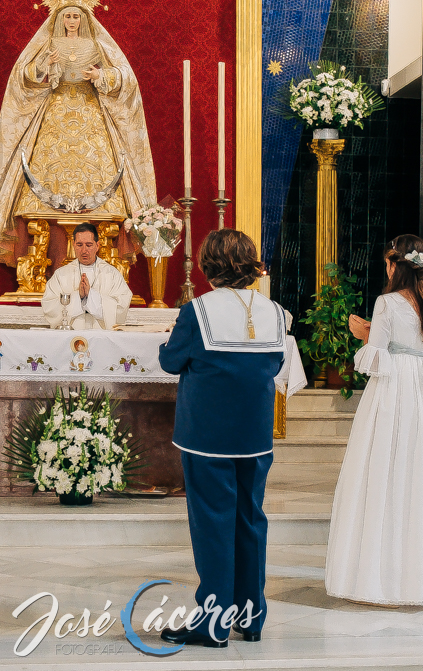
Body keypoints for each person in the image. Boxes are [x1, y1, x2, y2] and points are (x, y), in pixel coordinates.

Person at [158, 230, 288, 648]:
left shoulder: (197, 311)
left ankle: (212, 623)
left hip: (208, 435)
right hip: (254, 434)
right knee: (250, 520)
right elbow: (273, 363)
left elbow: (170, 360)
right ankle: (251, 617)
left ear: (207, 265)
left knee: (214, 524)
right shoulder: (274, 310)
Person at [325, 235, 423, 606]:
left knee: (386, 473)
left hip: (395, 392)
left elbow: (376, 355)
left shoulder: (387, 302)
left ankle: (382, 574)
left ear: (394, 266)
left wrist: (364, 335)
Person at [0, 3, 157, 267]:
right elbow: (24, 75)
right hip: (56, 108)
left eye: (76, 16)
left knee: (100, 165)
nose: (72, 21)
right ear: (60, 19)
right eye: (68, 16)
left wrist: (100, 74)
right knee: (45, 164)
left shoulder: (96, 43)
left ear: (84, 19)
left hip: (90, 110)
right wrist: (44, 65)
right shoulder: (49, 42)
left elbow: (125, 77)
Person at [41, 223, 132, 329]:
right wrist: (78, 296)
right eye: (79, 245)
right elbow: (49, 306)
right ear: (74, 245)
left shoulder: (111, 274)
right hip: (71, 336)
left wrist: (91, 295)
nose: (84, 250)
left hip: (101, 336)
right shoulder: (61, 275)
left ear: (97, 246)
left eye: (89, 245)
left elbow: (122, 306)